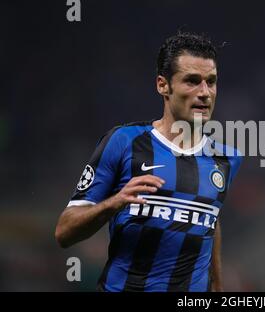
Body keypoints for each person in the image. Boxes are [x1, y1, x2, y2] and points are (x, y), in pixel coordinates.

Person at [55, 31, 242, 292]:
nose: (205, 93)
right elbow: (65, 232)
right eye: (192, 81)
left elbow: (210, 218)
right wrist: (114, 203)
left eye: (211, 82)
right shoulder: (123, 141)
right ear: (162, 85)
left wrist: (218, 285)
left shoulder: (226, 158)